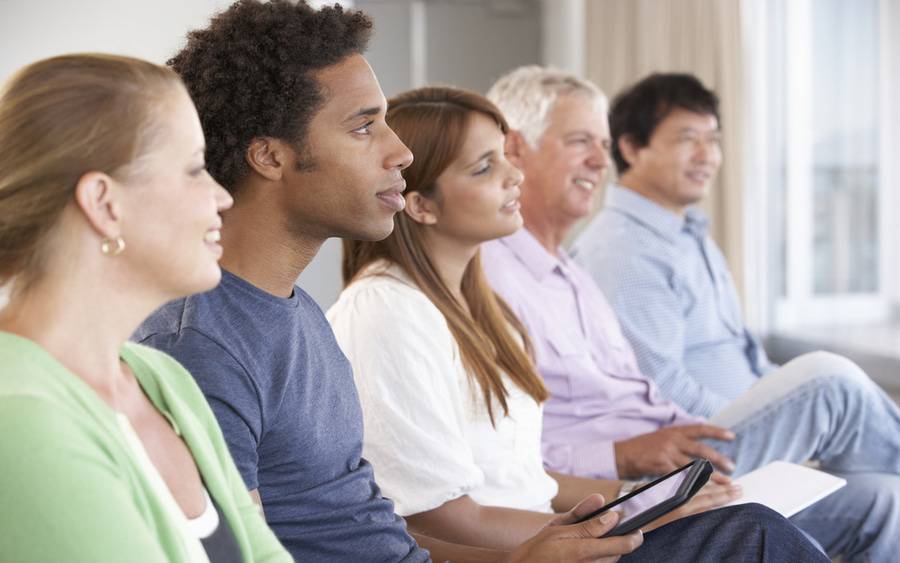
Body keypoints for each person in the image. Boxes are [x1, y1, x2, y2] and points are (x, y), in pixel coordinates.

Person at [134, 1, 661, 561]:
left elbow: (366, 530)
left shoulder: (299, 314)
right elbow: (236, 553)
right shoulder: (199, 345)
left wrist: (524, 556)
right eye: (365, 127)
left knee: (743, 527)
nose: (401, 152)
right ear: (269, 156)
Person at [327, 85, 828, 561]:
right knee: (756, 531)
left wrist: (639, 499)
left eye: (507, 156)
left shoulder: (482, 309)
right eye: (485, 167)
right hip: (523, 552)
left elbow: (524, 478)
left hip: (549, 531)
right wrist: (635, 522)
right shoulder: (388, 311)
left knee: (757, 517)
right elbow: (439, 518)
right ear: (420, 204)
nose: (515, 175)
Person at [481, 65, 900, 561]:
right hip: (631, 482)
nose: (600, 161)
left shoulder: (570, 270)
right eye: (580, 142)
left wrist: (770, 413)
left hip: (675, 454)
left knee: (883, 499)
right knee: (829, 380)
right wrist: (624, 454)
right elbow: (509, 453)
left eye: (602, 142)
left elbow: (644, 390)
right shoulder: (505, 274)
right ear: (515, 148)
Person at [0, 53, 291, 562]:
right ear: (105, 204)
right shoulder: (19, 416)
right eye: (196, 169)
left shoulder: (164, 381)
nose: (221, 197)